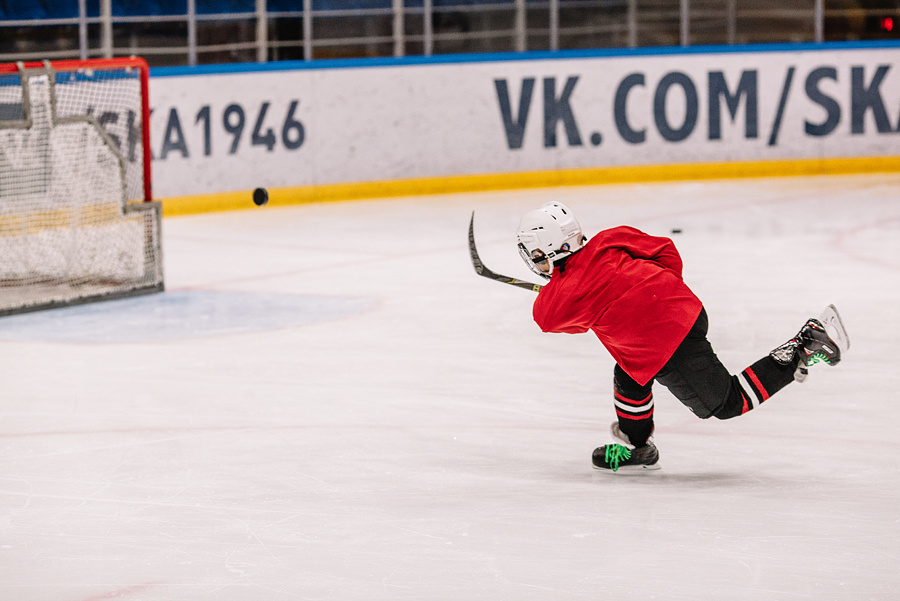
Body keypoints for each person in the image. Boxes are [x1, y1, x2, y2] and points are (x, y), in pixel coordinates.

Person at [515, 201, 848, 472]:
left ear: (546, 252)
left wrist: (560, 286)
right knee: (630, 374)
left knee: (728, 403)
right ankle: (638, 447)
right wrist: (660, 294)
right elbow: (665, 250)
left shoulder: (563, 296)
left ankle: (803, 348)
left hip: (665, 343)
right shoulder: (609, 239)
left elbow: (549, 320)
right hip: (685, 307)